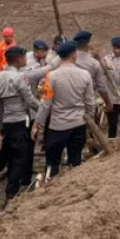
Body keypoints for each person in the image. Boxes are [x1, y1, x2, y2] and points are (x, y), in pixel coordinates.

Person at [34, 42, 94, 178]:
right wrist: (89, 119)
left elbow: (45, 103)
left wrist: (37, 124)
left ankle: (51, 184)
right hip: (78, 123)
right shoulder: (85, 75)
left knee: (53, 161)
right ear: (74, 55)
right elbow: (90, 102)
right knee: (76, 159)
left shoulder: (52, 76)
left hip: (58, 126)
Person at [0, 46, 40, 198]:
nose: (26, 59)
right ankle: (12, 190)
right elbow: (30, 100)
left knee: (11, 153)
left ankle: (1, 177)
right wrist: (44, 109)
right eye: (24, 57)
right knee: (20, 156)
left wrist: (0, 124)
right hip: (20, 120)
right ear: (19, 59)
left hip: (7, 121)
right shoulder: (19, 78)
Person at [72, 32, 114, 116]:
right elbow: (101, 87)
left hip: (70, 102)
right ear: (88, 45)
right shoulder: (94, 63)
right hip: (88, 102)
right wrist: (108, 104)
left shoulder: (69, 60)